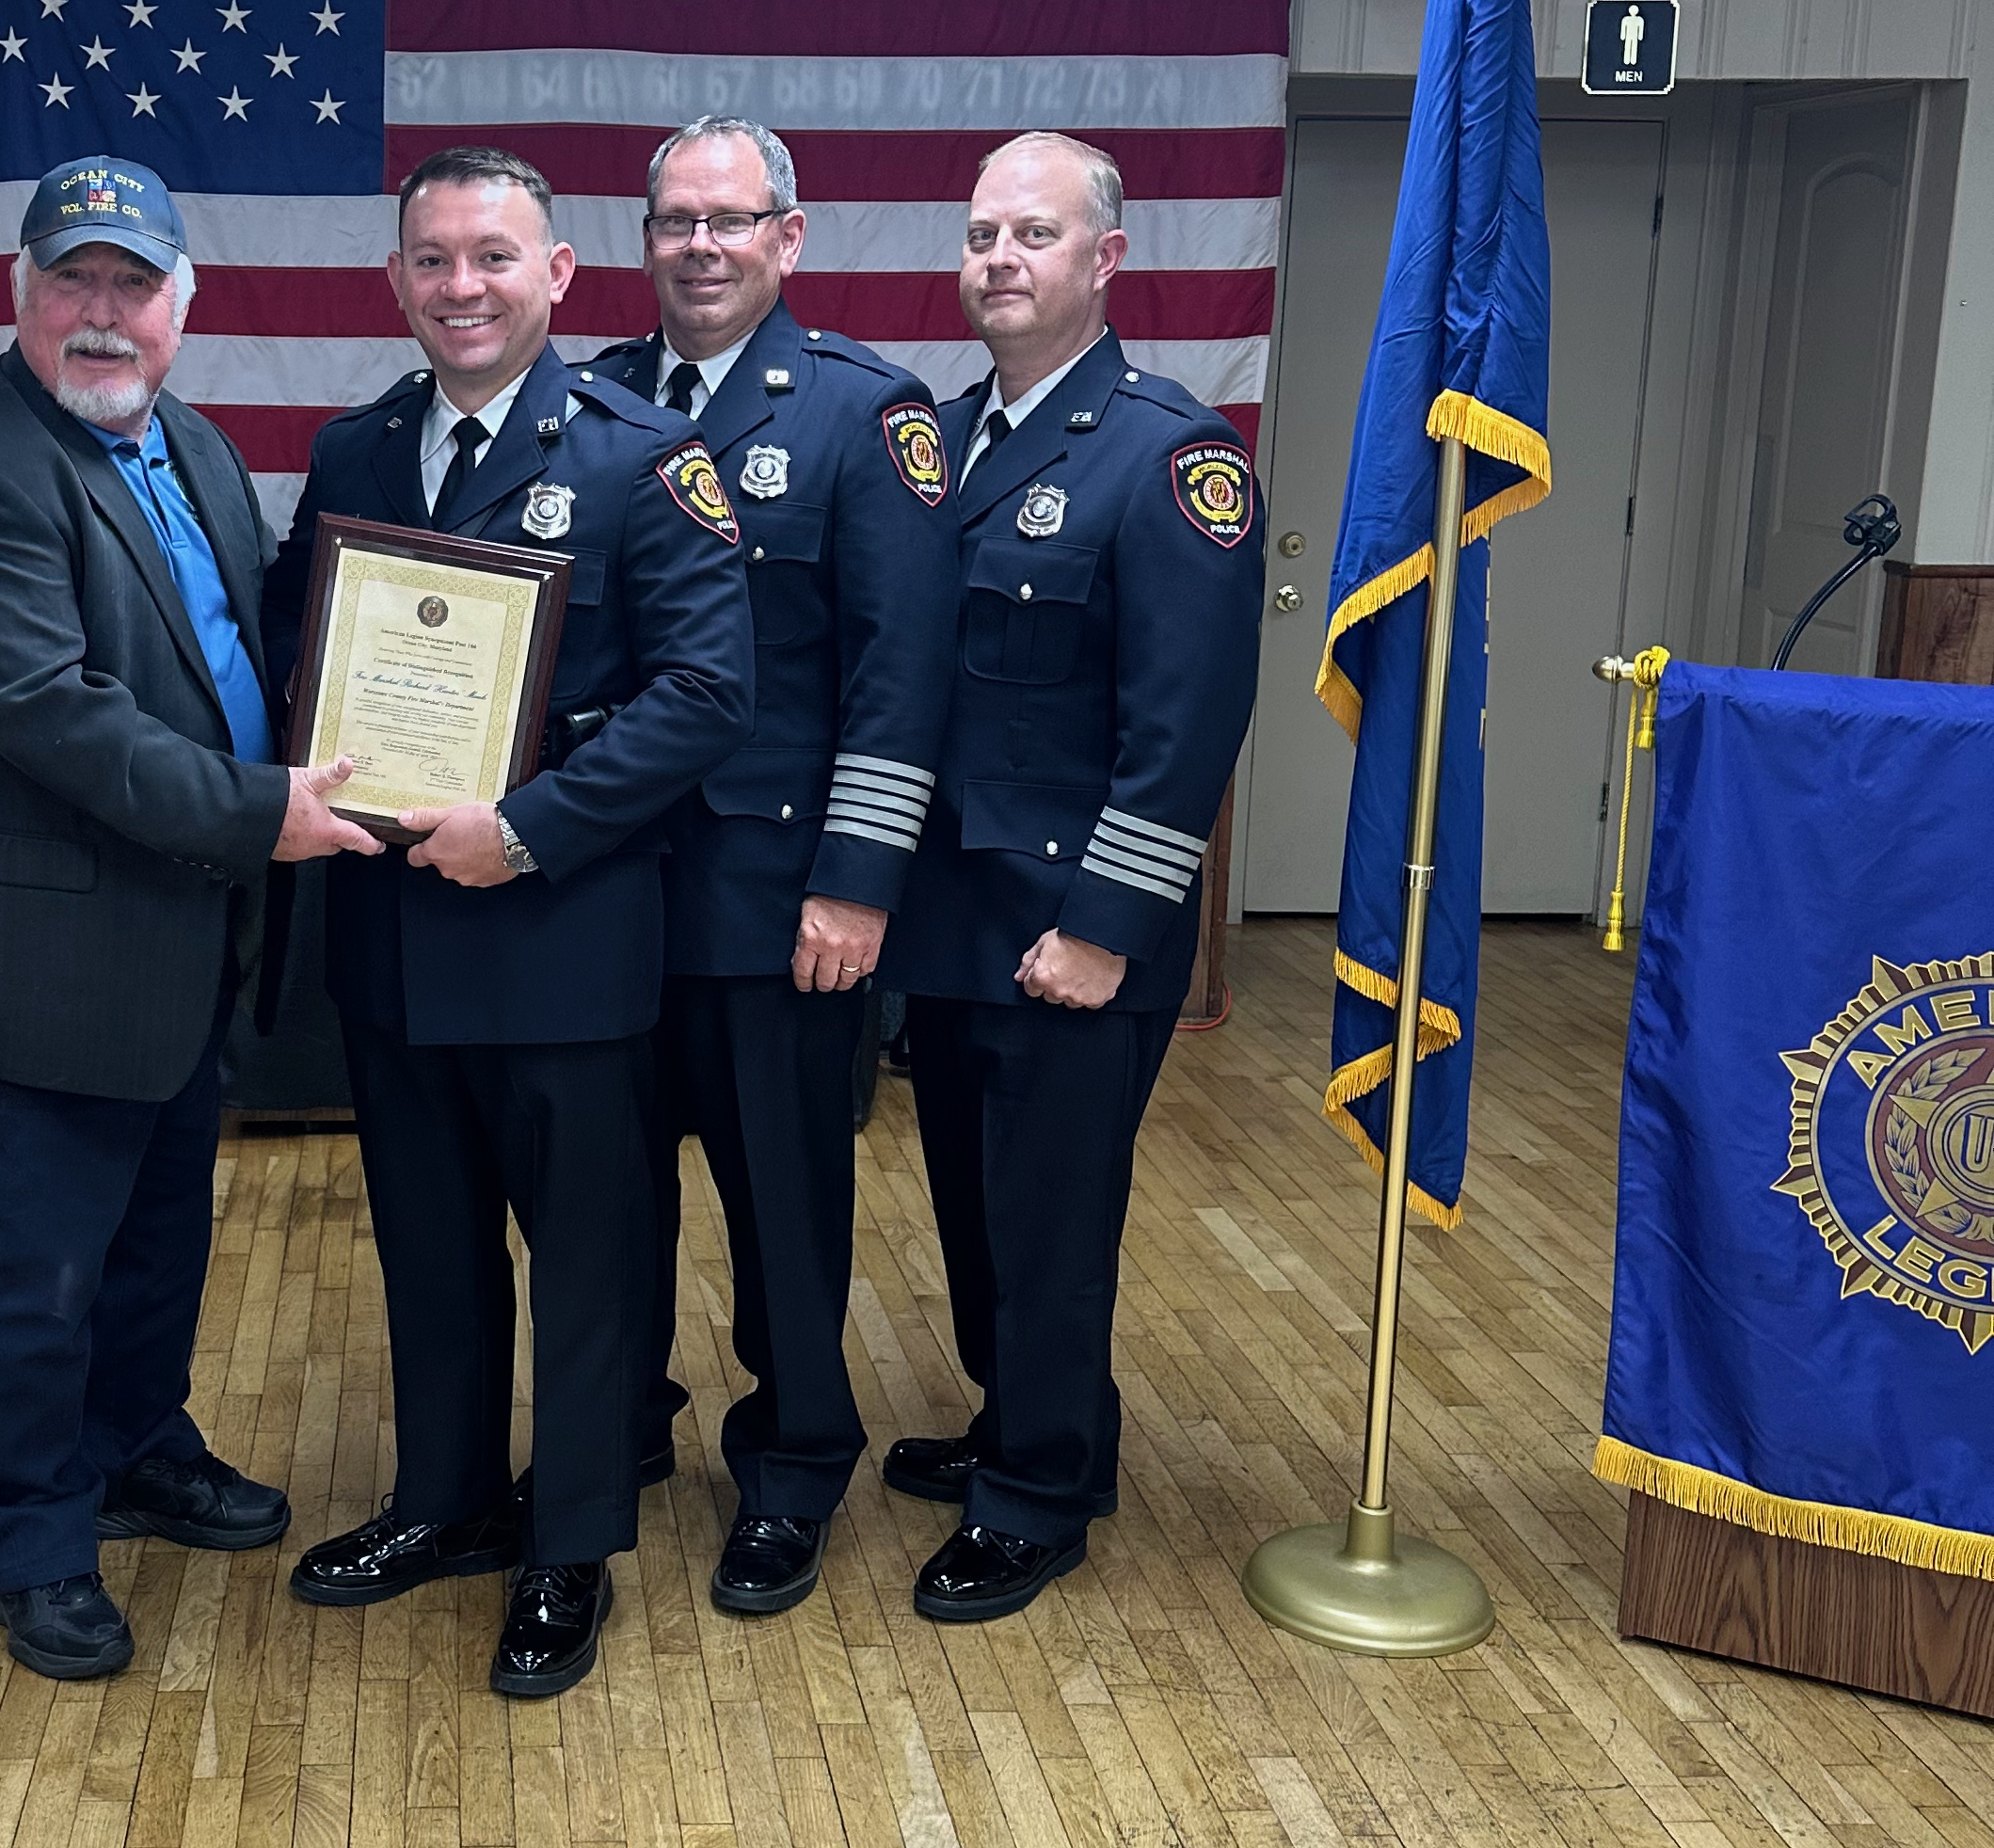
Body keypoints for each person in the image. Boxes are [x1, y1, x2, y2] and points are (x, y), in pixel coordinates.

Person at [261, 147, 754, 1698]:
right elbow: (296, 644)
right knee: (428, 1242)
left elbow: (707, 694)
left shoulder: (642, 455)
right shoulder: (353, 450)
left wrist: (530, 829)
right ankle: (447, 1500)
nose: (461, 286)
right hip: (392, 938)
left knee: (589, 1260)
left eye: (492, 257)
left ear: (556, 274)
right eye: (433, 260)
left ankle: (571, 1546)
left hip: (561, 941)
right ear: (396, 280)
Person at [0, 156, 379, 1681]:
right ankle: (27, 1534)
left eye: (132, 284)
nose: (102, 313)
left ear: (181, 306)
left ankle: (134, 1448)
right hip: (32, 967)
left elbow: (259, 634)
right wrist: (263, 813)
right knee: (27, 1274)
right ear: (18, 292)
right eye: (72, 279)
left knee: (154, 1243)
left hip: (176, 938)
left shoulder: (193, 445)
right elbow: (55, 714)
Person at [875, 132, 1262, 1621]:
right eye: (982, 234)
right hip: (955, 915)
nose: (998, 259)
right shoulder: (944, 438)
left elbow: (1186, 727)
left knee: (1049, 1224)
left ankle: (1037, 1496)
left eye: (1032, 234)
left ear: (1106, 260)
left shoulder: (1170, 454)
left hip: (1075, 928)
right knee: (978, 1209)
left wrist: (1103, 929)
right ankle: (1025, 1422)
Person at [586, 117, 956, 1616]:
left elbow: (901, 671)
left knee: (785, 1208)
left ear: (787, 238)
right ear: (646, 239)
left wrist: (857, 880)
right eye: (676, 220)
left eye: (730, 220)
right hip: (609, 892)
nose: (701, 246)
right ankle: (616, 1425)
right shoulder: (595, 398)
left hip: (778, 900)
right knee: (604, 1199)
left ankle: (796, 1464)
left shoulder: (866, 414)